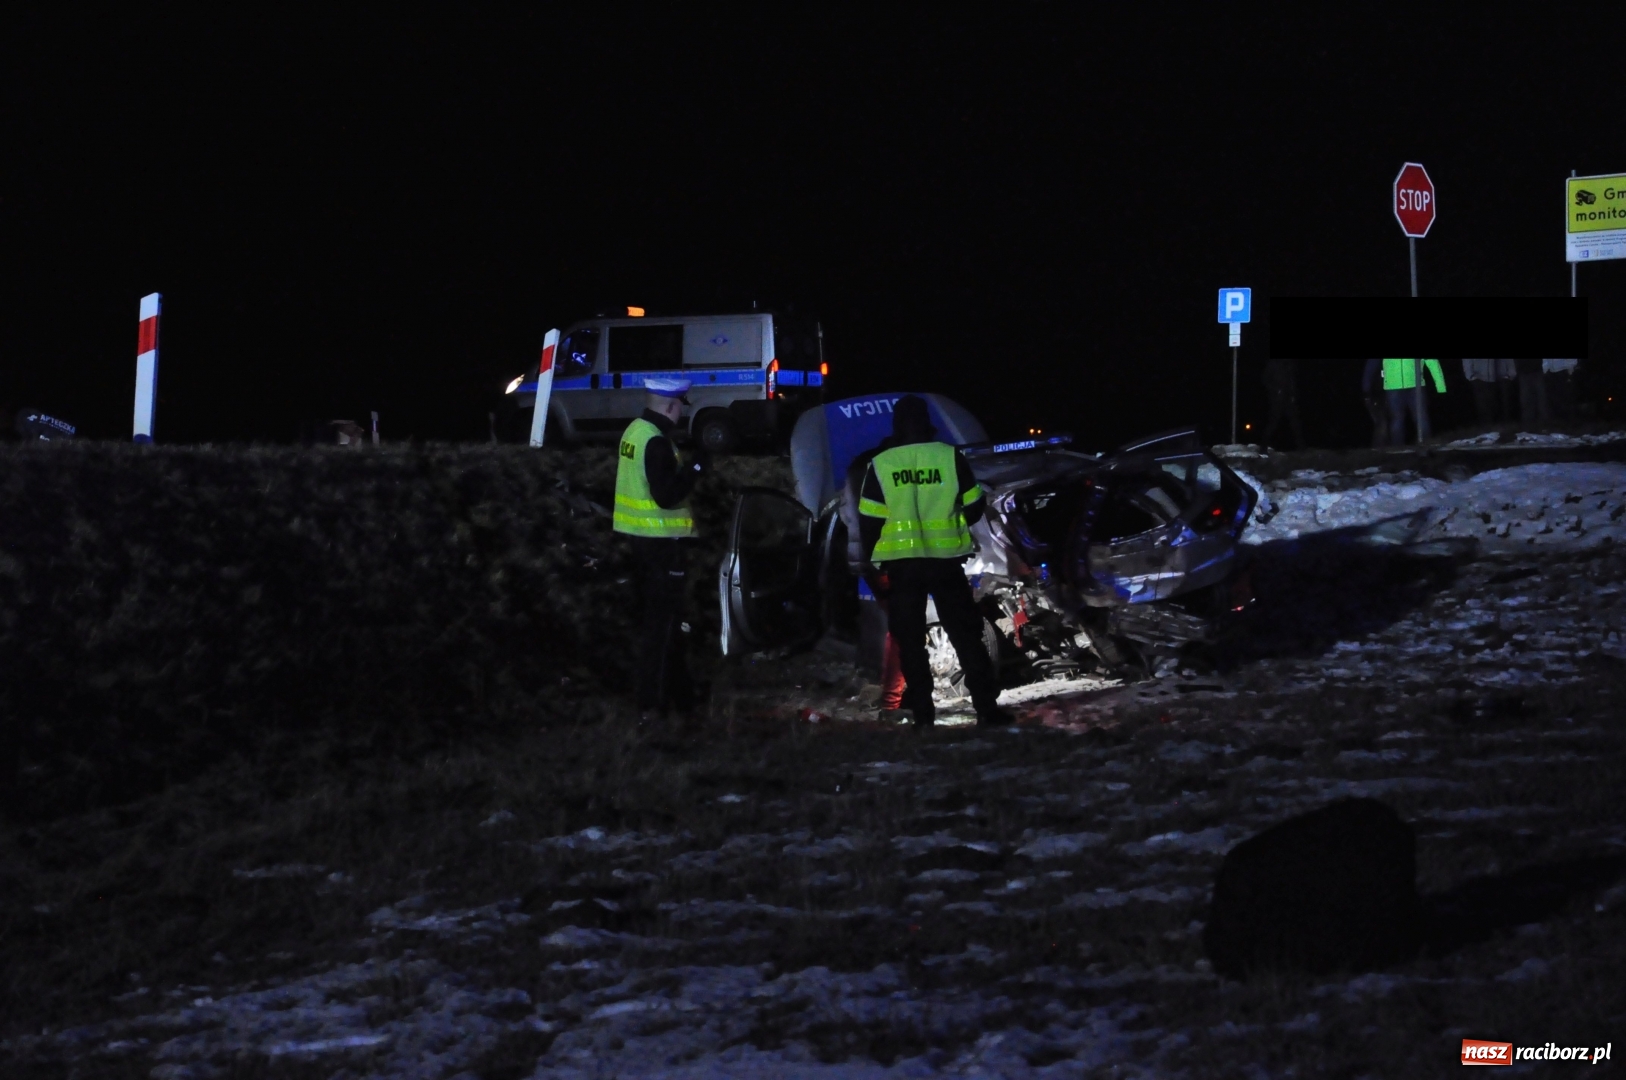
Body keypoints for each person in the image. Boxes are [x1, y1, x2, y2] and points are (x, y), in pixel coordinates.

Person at [857, 396, 1013, 729]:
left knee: (910, 641)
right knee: (966, 636)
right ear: (928, 424)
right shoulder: (949, 456)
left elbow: (869, 520)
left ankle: (924, 717)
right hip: (945, 563)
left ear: (897, 427)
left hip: (902, 567)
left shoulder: (881, 464)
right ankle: (986, 709)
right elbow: (973, 508)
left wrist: (876, 564)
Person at [612, 377, 708, 721]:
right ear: (671, 406)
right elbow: (666, 496)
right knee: (663, 629)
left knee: (662, 625)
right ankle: (651, 707)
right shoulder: (656, 443)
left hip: (638, 543)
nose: (683, 412)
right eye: (682, 405)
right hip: (662, 547)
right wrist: (696, 468)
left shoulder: (634, 432)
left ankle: (681, 700)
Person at [1380, 357, 1446, 446]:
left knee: (1421, 417)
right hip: (1393, 386)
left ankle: (1426, 446)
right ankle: (1397, 451)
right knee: (1396, 420)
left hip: (1416, 385)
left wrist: (1441, 386)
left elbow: (1432, 361)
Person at [1261, 357, 1305, 450]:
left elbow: (1292, 380)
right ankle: (1263, 446)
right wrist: (1276, 390)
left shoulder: (1289, 363)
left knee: (1295, 422)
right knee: (1273, 423)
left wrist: (1293, 394)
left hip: (1288, 398)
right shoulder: (1273, 363)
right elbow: (1266, 380)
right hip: (1277, 399)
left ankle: (1301, 447)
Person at [1462, 359, 1517, 426]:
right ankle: (1487, 428)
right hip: (1480, 378)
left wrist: (1511, 373)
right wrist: (1470, 376)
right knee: (1484, 407)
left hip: (1502, 377)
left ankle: (1505, 428)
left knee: (1503, 406)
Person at [1361, 359, 1389, 448]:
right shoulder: (1374, 361)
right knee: (1381, 423)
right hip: (1376, 396)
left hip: (1388, 395)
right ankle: (1378, 448)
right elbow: (1367, 378)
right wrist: (1367, 396)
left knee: (1386, 423)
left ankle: (1384, 448)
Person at [1516, 357, 1548, 425]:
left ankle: (1543, 422)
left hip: (1537, 371)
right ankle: (1528, 422)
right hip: (1524, 372)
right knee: (1526, 398)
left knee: (1541, 398)